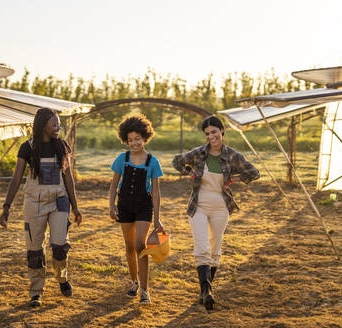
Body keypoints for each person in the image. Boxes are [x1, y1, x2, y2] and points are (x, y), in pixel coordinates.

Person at [172, 115, 259, 310]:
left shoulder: (233, 156)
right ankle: (206, 291)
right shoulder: (198, 153)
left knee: (215, 249)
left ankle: (205, 291)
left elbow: (254, 173)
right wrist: (190, 173)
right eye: (207, 134)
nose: (211, 136)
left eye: (214, 132)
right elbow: (177, 161)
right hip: (198, 206)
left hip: (221, 207)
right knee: (202, 247)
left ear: (222, 131)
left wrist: (234, 179)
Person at [0, 107, 82, 308]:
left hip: (59, 200)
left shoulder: (62, 146)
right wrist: (6, 206)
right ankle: (36, 292)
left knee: (60, 245)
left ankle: (62, 278)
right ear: (43, 125)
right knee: (35, 250)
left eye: (59, 125)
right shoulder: (27, 148)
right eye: (54, 124)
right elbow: (17, 178)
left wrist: (75, 207)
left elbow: (68, 178)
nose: (58, 127)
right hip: (34, 203)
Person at [109, 114, 165, 305]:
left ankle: (145, 290)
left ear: (145, 137)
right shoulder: (121, 159)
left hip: (143, 206)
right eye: (130, 140)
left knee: (141, 245)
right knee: (129, 246)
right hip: (124, 206)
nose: (134, 143)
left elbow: (156, 192)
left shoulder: (153, 162)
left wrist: (157, 218)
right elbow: (113, 184)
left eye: (138, 139)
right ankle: (133, 281)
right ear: (126, 139)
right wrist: (111, 205)